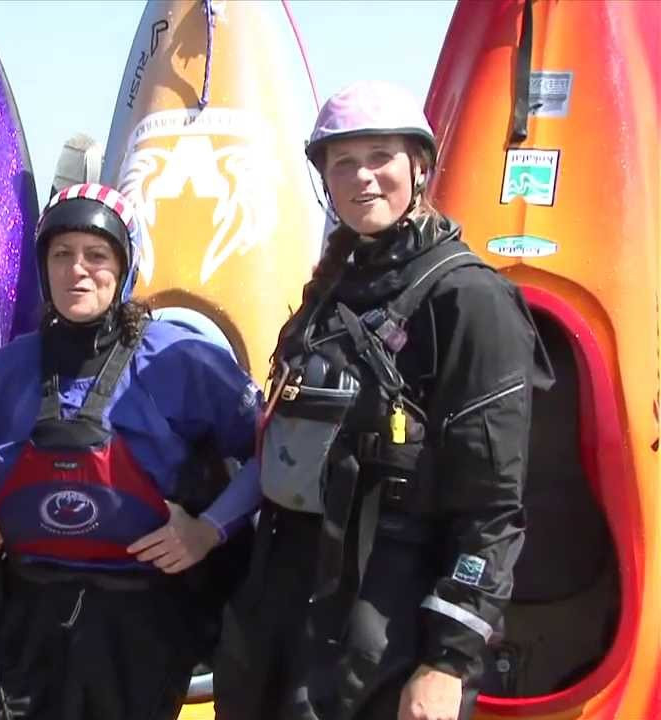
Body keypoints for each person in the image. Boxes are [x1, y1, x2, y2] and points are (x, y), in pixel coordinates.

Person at [212, 81, 553, 720]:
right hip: (284, 612)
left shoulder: (468, 302)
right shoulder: (330, 294)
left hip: (388, 629)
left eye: (380, 157)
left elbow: (493, 508)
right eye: (343, 162)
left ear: (419, 166)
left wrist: (447, 662)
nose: (362, 177)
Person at [0, 182, 262, 720]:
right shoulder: (8, 368)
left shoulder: (180, 359)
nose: (78, 269)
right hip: (28, 613)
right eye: (62, 254)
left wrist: (210, 528)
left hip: (141, 618)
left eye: (97, 255)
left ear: (124, 268)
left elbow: (268, 453)